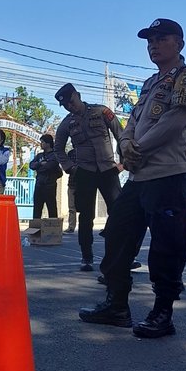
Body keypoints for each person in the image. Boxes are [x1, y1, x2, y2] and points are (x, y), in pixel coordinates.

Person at [79, 18, 186, 338]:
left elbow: (177, 121)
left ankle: (163, 313)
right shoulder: (149, 83)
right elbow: (131, 120)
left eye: (161, 38)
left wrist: (138, 148)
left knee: (167, 247)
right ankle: (116, 306)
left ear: (179, 44)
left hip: (169, 175)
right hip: (140, 177)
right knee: (117, 235)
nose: (153, 44)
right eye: (150, 40)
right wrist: (126, 143)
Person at [54, 84, 123, 271]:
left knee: (119, 214)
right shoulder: (67, 123)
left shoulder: (102, 111)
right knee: (86, 217)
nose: (70, 106)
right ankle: (87, 257)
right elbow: (58, 148)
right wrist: (70, 168)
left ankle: (121, 257)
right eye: (66, 105)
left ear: (78, 95)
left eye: (71, 101)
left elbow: (121, 135)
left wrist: (124, 163)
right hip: (84, 172)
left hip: (109, 170)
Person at [29, 133, 62, 218]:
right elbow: (31, 165)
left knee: (51, 208)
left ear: (48, 143)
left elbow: (50, 166)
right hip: (39, 184)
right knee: (37, 208)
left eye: (43, 142)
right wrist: (40, 164)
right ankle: (36, 228)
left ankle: (53, 229)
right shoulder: (39, 155)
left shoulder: (54, 155)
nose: (41, 144)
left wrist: (40, 167)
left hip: (49, 185)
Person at [65, 146, 77, 232]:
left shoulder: (87, 151)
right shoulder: (71, 153)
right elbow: (67, 168)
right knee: (71, 207)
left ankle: (86, 226)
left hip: (84, 183)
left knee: (86, 207)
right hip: (72, 183)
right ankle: (71, 226)